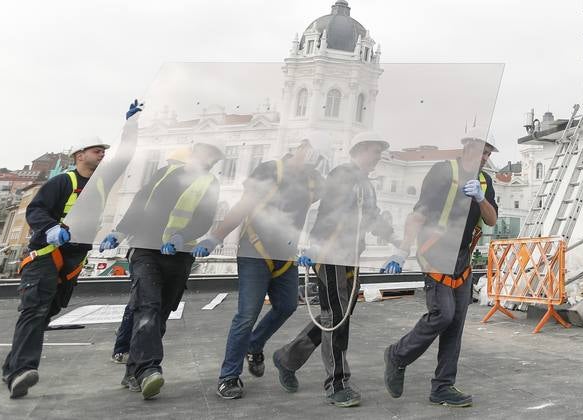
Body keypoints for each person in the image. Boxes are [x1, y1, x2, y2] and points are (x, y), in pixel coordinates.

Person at [195, 135, 327, 400]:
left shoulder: (314, 180)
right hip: (255, 251)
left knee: (287, 305)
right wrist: (215, 237)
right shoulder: (270, 170)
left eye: (320, 158)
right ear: (300, 147)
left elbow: (329, 209)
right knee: (247, 314)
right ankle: (229, 376)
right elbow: (244, 206)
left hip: (286, 253)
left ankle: (255, 344)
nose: (314, 160)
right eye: (312, 152)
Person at [272, 130, 391, 408]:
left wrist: (397, 240)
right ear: (360, 150)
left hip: (350, 257)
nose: (378, 156)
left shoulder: (365, 184)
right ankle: (337, 383)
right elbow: (327, 216)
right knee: (337, 316)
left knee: (337, 315)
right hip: (331, 256)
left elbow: (370, 217)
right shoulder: (342, 176)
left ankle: (287, 358)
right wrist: (314, 250)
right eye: (375, 150)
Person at [384, 136, 499, 409]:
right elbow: (419, 214)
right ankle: (398, 355)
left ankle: (443, 386)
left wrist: (481, 199)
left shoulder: (484, 181)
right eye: (481, 151)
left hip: (462, 258)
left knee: (455, 323)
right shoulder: (443, 171)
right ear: (467, 147)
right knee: (443, 314)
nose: (484, 157)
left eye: (488, 153)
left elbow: (492, 220)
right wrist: (402, 250)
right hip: (435, 253)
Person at [102, 141, 223, 399]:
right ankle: (149, 370)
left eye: (211, 157)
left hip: (178, 255)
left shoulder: (209, 183)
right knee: (148, 306)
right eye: (204, 153)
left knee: (161, 313)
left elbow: (204, 218)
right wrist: (120, 231)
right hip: (145, 248)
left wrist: (183, 236)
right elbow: (140, 202)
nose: (206, 159)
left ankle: (133, 373)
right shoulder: (165, 173)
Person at [0, 130, 113, 398]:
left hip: (72, 260)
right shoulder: (62, 182)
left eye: (103, 151)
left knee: (47, 311)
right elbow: (35, 210)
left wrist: (109, 233)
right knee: (35, 310)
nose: (102, 154)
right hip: (46, 255)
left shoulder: (98, 187)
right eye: (96, 150)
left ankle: (11, 365)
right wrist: (50, 228)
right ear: (80, 155)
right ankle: (21, 372)